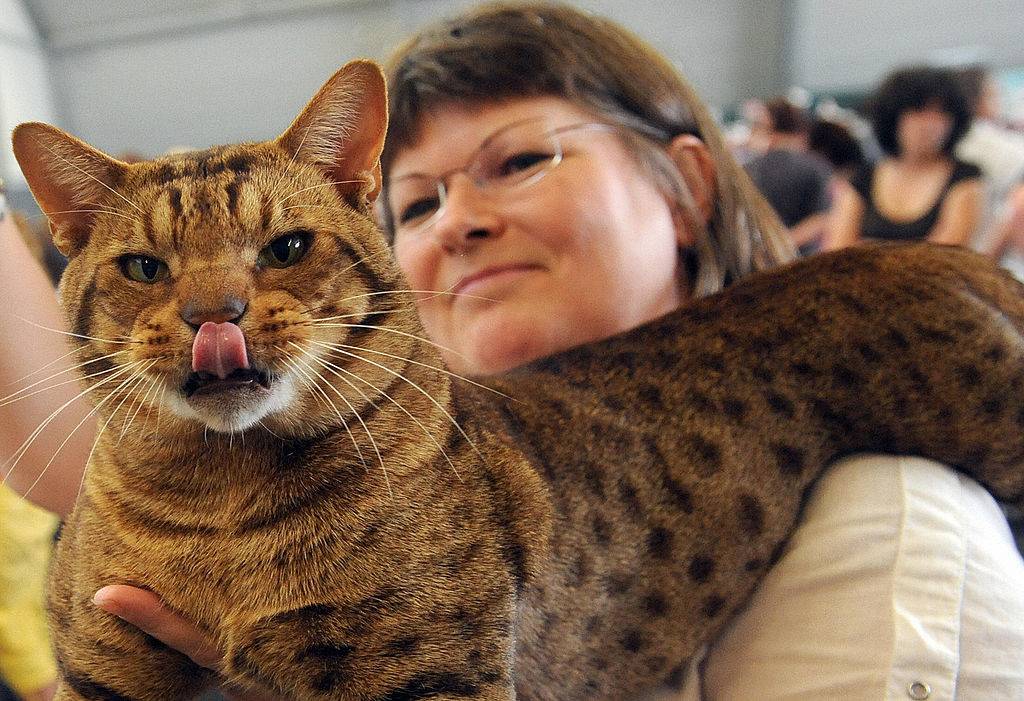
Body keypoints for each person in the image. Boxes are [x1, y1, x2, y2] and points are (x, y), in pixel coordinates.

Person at [5, 3, 1023, 699]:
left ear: (687, 189)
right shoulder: (168, 467)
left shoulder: (896, 540)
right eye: (416, 202)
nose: (459, 221)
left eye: (522, 160)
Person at [826, 65, 984, 250]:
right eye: (918, 111)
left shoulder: (965, 177)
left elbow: (946, 253)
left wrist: (868, 249)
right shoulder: (863, 178)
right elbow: (837, 251)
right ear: (894, 116)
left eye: (941, 113)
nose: (930, 124)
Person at [743, 98, 834, 255]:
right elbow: (823, 218)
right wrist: (786, 242)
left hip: (761, 257)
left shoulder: (748, 169)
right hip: (804, 258)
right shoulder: (816, 167)